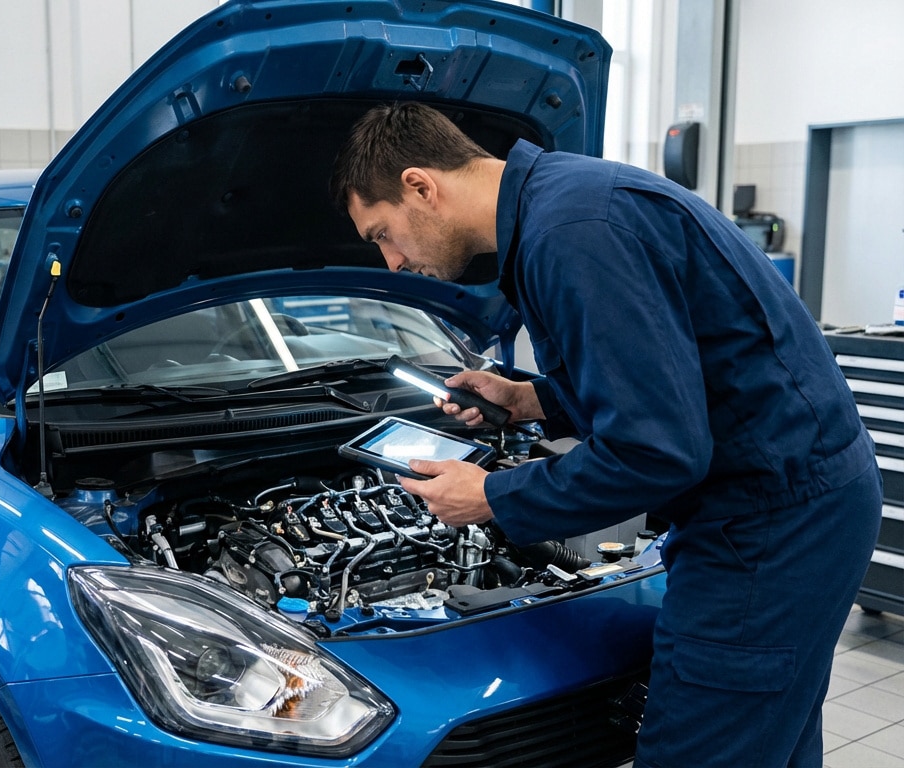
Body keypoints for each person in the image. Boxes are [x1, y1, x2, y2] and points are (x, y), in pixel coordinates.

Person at [330, 102, 881, 768]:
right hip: (795, 502)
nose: (390, 262)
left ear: (422, 186)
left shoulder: (572, 232)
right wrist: (533, 400)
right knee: (768, 742)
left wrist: (494, 496)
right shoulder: (564, 201)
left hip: (772, 525)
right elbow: (663, 371)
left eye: (382, 234)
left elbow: (657, 452)